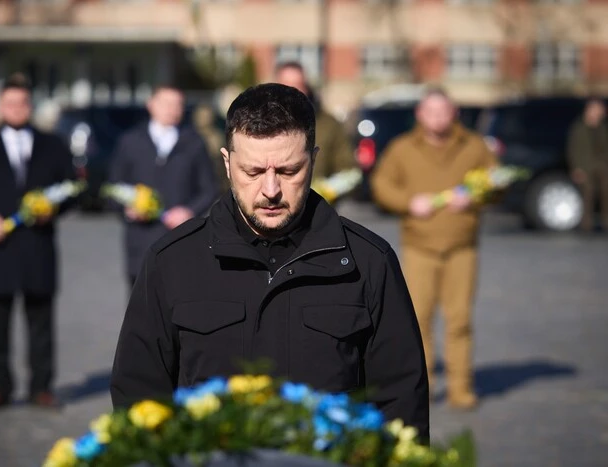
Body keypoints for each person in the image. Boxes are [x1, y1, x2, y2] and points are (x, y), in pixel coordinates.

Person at [111, 83, 429, 439]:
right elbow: (138, 395)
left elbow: (401, 403)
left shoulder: (369, 261)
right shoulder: (171, 261)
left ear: (314, 158)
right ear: (228, 163)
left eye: (289, 171)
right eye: (253, 172)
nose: (271, 190)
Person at [0, 73, 76, 410]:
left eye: (22, 103)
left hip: (39, 246)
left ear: (30, 105)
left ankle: (42, 387)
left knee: (41, 322)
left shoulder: (53, 144)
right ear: (0, 106)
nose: (17, 108)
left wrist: (54, 211)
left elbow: (71, 189)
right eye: (10, 103)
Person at [371, 87, 497, 410]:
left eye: (444, 112)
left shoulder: (474, 146)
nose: (438, 118)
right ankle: (421, 389)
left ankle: (461, 389)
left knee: (459, 320)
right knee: (417, 322)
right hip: (419, 248)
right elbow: (381, 185)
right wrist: (408, 203)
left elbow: (498, 182)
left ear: (454, 113)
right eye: (431, 112)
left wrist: (477, 196)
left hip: (461, 247)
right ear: (420, 115)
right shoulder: (402, 148)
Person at [108, 84, 218, 291]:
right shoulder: (130, 141)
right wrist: (127, 209)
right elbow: (113, 187)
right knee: (141, 315)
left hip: (181, 241)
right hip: (141, 243)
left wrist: (190, 211)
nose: (172, 109)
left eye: (178, 104)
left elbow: (209, 188)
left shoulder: (194, 143)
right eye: (166, 103)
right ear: (151, 104)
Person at [274, 61, 355, 180]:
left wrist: (326, 190)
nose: (291, 91)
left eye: (298, 85)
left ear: (306, 88)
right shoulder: (256, 125)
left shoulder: (329, 125)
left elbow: (349, 171)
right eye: (284, 85)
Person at [567, 97, 608, 233]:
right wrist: (576, 168)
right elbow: (573, 149)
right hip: (585, 165)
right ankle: (586, 224)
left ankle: (605, 221)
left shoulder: (602, 127)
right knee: (588, 194)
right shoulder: (579, 127)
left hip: (602, 164)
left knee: (605, 192)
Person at [192, 102, 229, 195]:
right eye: (201, 115)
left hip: (216, 180)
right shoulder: (190, 137)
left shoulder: (217, 137)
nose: (203, 119)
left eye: (206, 116)